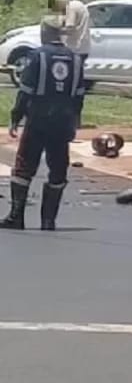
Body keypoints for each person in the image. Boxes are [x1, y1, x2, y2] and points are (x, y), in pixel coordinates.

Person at [2, 16, 86, 231]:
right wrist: (75, 121)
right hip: (62, 122)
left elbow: (26, 92)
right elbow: (78, 96)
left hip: (38, 120)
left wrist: (15, 118)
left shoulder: (36, 57)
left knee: (23, 166)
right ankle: (48, 220)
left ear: (45, 32)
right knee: (58, 168)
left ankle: (16, 216)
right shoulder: (76, 60)